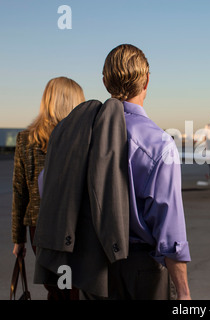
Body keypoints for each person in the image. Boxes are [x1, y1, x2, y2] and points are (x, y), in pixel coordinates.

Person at [33, 44, 191, 300]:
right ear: (147, 80)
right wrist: (184, 293)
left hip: (93, 268)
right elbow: (170, 232)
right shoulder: (159, 143)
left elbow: (46, 186)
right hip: (142, 272)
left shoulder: (79, 133)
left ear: (105, 81)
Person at [11, 76, 85, 300]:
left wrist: (18, 239)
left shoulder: (25, 139)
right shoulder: (83, 139)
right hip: (77, 226)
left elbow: (19, 191)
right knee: (74, 285)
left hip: (39, 229)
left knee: (56, 286)